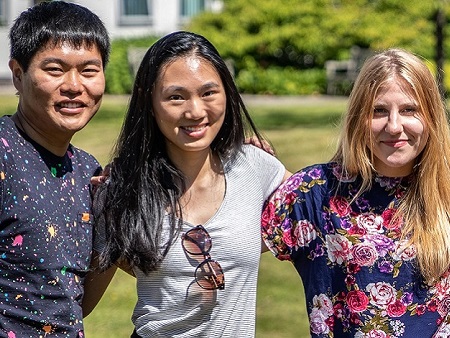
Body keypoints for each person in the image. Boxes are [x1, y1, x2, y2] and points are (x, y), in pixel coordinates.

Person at [82, 30, 289, 337]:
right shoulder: (122, 190)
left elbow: (323, 214)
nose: (195, 111)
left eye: (208, 93)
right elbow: (80, 302)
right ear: (149, 102)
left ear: (228, 94)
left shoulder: (257, 168)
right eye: (176, 97)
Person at [262, 48, 450, 337]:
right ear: (359, 117)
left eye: (409, 110)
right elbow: (231, 245)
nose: (394, 125)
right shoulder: (317, 193)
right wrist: (242, 161)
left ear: (431, 117)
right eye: (379, 111)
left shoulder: (445, 191)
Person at [1, 1, 111, 337]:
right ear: (18, 75)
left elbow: (74, 302)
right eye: (55, 70)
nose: (74, 86)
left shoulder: (88, 171)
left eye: (89, 70)